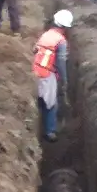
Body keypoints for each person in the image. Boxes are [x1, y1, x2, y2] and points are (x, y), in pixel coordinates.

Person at [32, 9, 70, 143]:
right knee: (51, 104)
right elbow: (60, 63)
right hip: (47, 74)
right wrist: (64, 80)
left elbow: (35, 50)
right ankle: (49, 131)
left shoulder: (46, 35)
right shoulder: (61, 41)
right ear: (64, 27)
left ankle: (42, 123)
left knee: (42, 101)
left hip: (35, 70)